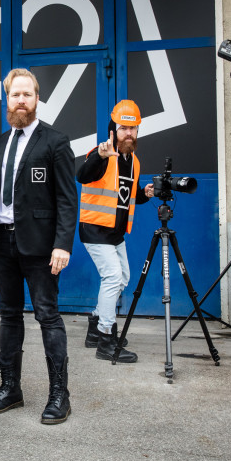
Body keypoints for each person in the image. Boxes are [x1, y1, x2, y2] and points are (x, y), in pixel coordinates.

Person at [0, 68, 77, 425]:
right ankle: (11, 388)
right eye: (14, 95)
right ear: (7, 101)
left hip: (41, 248)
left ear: (37, 99)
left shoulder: (55, 142)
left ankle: (59, 395)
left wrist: (62, 245)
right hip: (1, 243)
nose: (20, 100)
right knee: (9, 316)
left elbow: (68, 200)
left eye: (27, 94)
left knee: (47, 316)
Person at [77, 99, 154, 363]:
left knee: (122, 279)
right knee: (112, 278)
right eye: (124, 128)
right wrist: (99, 154)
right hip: (95, 229)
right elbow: (82, 175)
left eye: (133, 129)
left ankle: (94, 328)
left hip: (115, 234)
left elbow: (127, 195)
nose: (129, 133)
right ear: (114, 129)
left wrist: (144, 193)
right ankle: (105, 340)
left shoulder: (134, 161)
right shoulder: (100, 154)